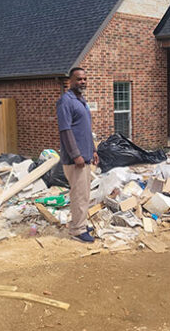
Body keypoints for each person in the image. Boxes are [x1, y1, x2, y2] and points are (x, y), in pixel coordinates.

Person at [56, 67, 99, 242]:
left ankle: (79, 223)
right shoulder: (65, 101)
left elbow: (85, 130)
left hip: (86, 155)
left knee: (84, 194)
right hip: (76, 160)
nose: (82, 82)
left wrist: (94, 150)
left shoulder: (81, 100)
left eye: (84, 79)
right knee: (79, 195)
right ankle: (78, 231)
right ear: (70, 81)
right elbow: (65, 131)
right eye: (79, 79)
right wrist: (76, 155)